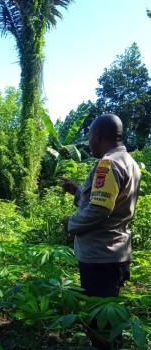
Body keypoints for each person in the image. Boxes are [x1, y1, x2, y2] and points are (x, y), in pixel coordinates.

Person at [62, 114, 141, 349]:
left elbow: (98, 210)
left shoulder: (108, 163)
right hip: (115, 253)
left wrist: (71, 223)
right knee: (108, 322)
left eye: (89, 137)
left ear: (97, 136)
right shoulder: (129, 161)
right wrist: (78, 192)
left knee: (100, 329)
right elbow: (108, 202)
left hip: (100, 256)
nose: (88, 142)